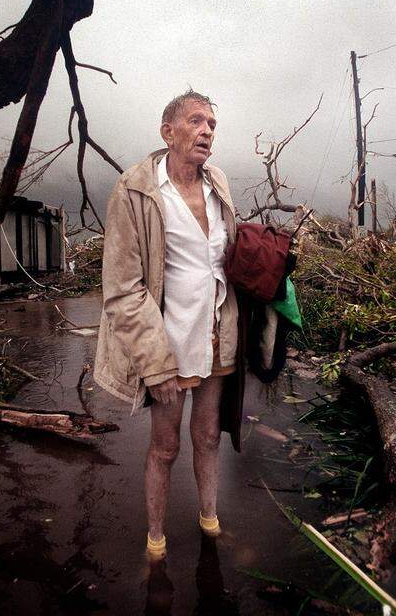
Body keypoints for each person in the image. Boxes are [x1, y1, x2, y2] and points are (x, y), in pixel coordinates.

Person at [92, 90, 240, 560]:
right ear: (168, 131)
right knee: (165, 445)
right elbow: (123, 288)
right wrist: (154, 363)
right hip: (168, 344)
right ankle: (155, 540)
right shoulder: (135, 189)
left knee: (208, 435)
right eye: (197, 121)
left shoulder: (218, 183)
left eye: (212, 125)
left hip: (216, 334)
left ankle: (210, 521)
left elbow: (223, 262)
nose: (207, 132)